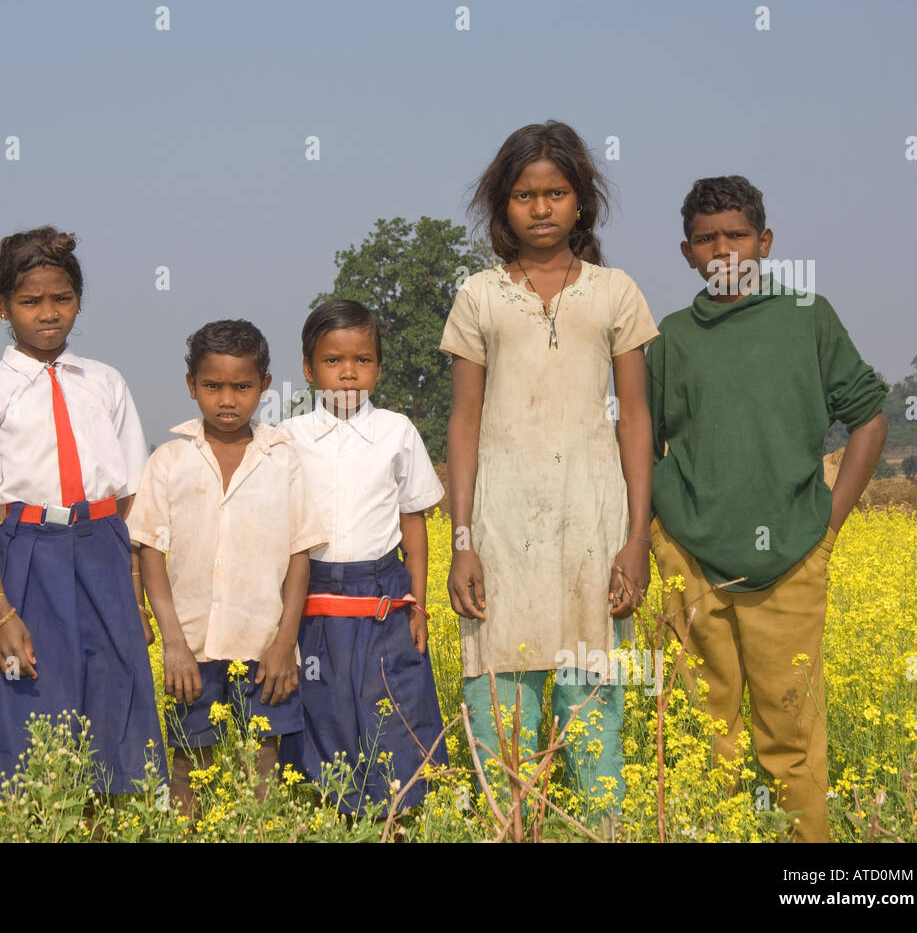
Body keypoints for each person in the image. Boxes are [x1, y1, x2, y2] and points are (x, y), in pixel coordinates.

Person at [647, 176, 888, 842]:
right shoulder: (669, 337)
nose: (722, 248)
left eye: (736, 234)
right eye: (706, 238)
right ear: (686, 251)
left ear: (765, 241)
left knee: (792, 736)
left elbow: (868, 419)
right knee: (702, 735)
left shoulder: (808, 316)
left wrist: (827, 528)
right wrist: (657, 533)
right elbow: (638, 440)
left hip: (791, 558)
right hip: (691, 564)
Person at [442, 121, 659, 818]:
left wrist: (637, 538)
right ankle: (513, 829)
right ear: (502, 206)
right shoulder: (478, 295)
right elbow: (464, 421)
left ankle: (602, 831)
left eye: (556, 193)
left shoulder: (615, 292)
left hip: (594, 526)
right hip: (500, 530)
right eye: (524, 195)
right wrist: (463, 540)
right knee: (501, 710)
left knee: (593, 705)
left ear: (581, 201)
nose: (541, 208)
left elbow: (635, 417)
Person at [0, 226, 166, 798]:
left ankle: (101, 820)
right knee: (30, 698)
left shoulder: (106, 383)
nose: (48, 313)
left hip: (105, 548)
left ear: (79, 302)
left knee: (114, 698)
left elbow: (134, 495)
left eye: (61, 299)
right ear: (2, 306)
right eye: (29, 301)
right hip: (26, 552)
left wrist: (136, 594)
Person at [127, 320, 324, 813]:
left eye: (242, 386)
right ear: (192, 386)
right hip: (192, 649)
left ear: (263, 385)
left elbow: (300, 555)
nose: (227, 399)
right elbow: (149, 549)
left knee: (263, 765)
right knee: (186, 766)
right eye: (213, 386)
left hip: (264, 650)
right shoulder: (169, 460)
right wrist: (174, 644)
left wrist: (285, 644)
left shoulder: (283, 459)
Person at [278, 300, 448, 815]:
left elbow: (413, 520)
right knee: (322, 713)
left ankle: (397, 819)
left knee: (393, 714)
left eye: (363, 359)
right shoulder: (287, 439)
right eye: (332, 361)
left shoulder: (398, 432)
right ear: (308, 370)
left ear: (378, 366)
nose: (348, 372)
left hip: (384, 600)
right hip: (313, 601)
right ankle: (332, 818)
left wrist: (417, 604)